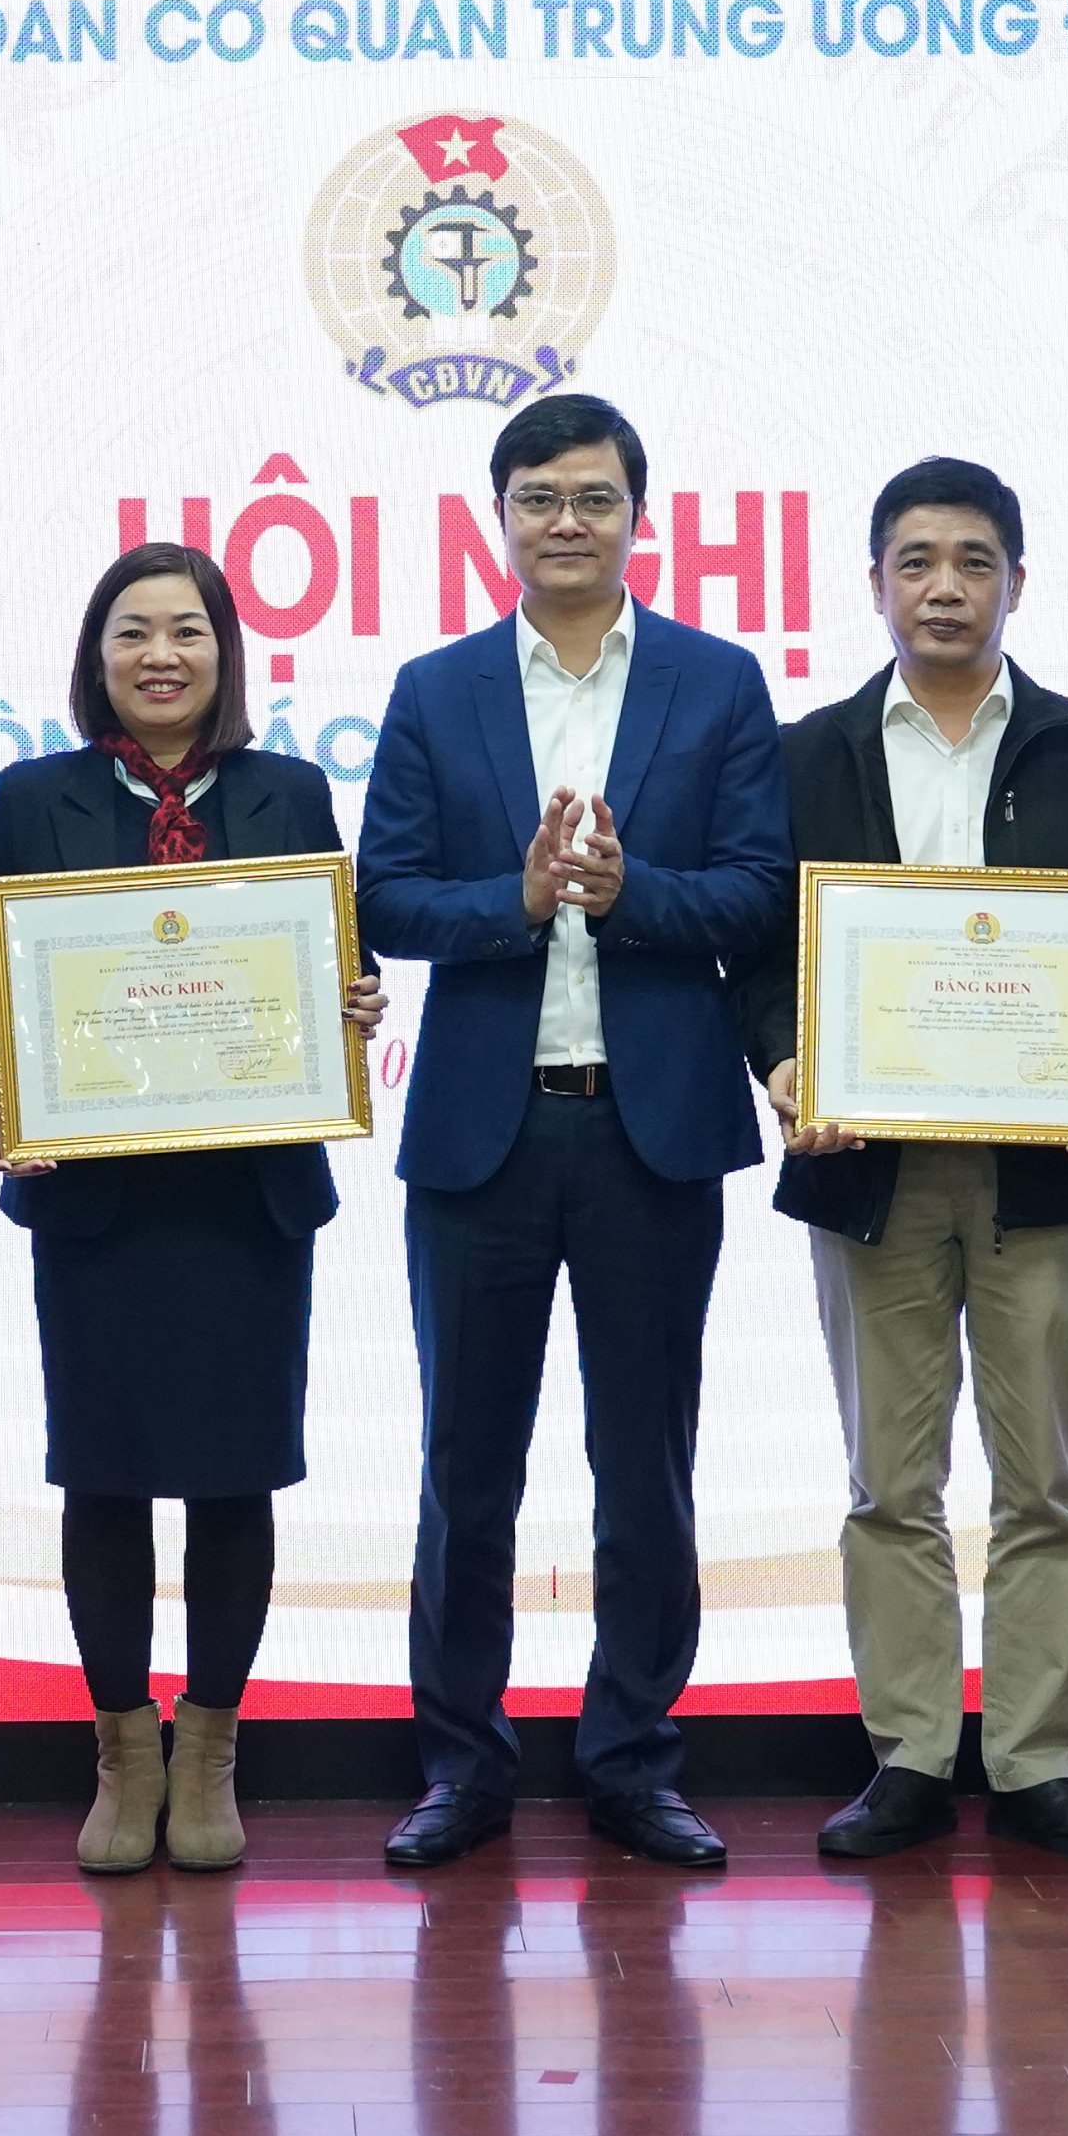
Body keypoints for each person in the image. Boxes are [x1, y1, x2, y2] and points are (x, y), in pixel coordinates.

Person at [357, 392, 792, 1870]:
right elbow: (385, 895)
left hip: (648, 1132)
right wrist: (523, 899)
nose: (565, 521)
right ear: (499, 519)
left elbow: (760, 890)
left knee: (645, 1466)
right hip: (480, 1138)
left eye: (594, 497)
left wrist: (629, 892)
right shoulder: (436, 690)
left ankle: (632, 1759)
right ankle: (459, 1767)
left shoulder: (716, 683)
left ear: (636, 518)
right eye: (538, 496)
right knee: (464, 1469)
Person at [731, 456, 1068, 1867]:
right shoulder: (805, 755)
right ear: (873, 584)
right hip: (872, 1171)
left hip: (1045, 1176)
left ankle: (1038, 1761)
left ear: (1015, 583)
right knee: (887, 1483)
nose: (943, 588)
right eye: (914, 562)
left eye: (972, 562)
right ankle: (909, 1753)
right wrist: (783, 1064)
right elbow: (758, 950)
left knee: (1043, 1485)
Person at [0, 543, 386, 1875]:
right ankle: (121, 1752)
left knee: (234, 1476)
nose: (160, 655)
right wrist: (20, 1094)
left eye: (186, 630)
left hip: (246, 1200)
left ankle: (209, 1752)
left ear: (223, 652)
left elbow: (334, 960)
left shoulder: (288, 790)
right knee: (106, 1475)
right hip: (100, 1200)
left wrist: (352, 1000)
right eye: (132, 631)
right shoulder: (37, 795)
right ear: (97, 656)